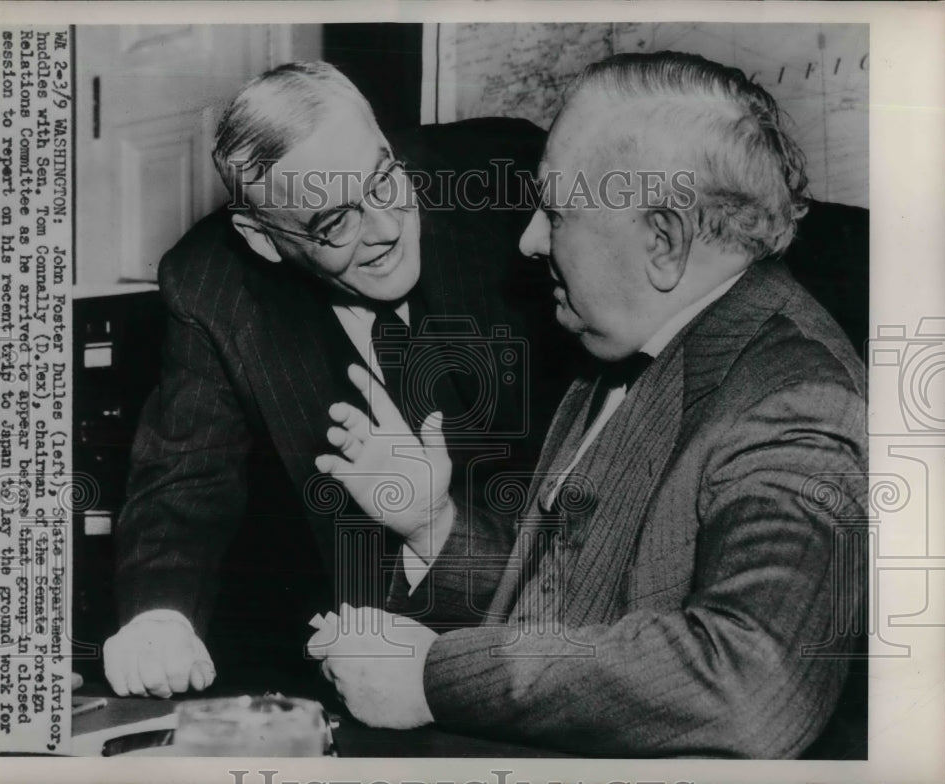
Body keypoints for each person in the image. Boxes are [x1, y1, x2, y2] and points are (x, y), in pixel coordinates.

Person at [310, 51, 868, 758]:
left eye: (555, 212)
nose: (529, 240)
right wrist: (434, 525)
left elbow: (754, 682)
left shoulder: (798, 401)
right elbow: (578, 609)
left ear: (663, 241)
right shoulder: (624, 344)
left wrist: (431, 678)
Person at [102, 62, 565, 699]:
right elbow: (184, 479)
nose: (386, 229)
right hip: (371, 652)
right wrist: (160, 618)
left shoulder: (505, 184)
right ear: (264, 239)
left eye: (383, 180)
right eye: (333, 223)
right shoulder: (213, 285)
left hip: (550, 612)